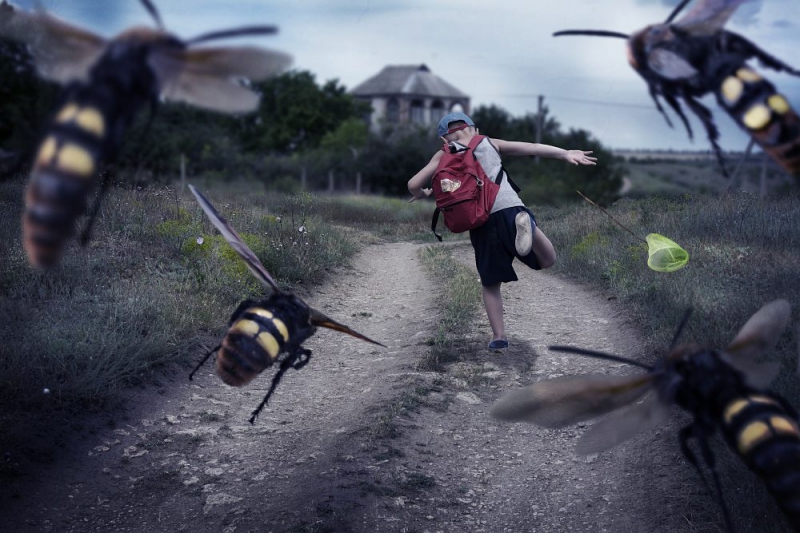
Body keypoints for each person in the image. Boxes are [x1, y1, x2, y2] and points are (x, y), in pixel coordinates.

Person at [408, 112, 597, 350]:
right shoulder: (488, 142)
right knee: (548, 259)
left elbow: (413, 184)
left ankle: (499, 337)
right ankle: (527, 225)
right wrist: (565, 153)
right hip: (509, 207)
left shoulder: (443, 154)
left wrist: (423, 193)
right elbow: (531, 147)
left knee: (490, 283)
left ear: (443, 139)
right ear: (474, 129)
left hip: (479, 220)